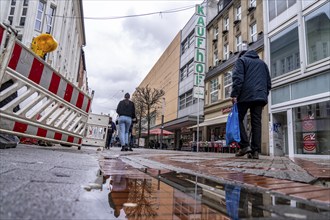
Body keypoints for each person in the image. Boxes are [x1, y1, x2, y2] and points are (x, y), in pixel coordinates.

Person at [230, 50, 271, 159]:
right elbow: (268, 83)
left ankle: (244, 146)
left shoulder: (241, 61)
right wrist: (264, 95)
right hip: (260, 97)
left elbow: (238, 79)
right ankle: (255, 151)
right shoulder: (263, 64)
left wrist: (234, 94)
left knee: (237, 118)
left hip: (245, 95)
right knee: (256, 122)